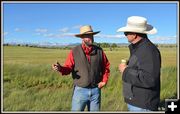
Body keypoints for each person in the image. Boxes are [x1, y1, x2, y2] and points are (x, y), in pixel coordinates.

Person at [52, 25, 110, 111]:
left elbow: (106, 67)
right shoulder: (74, 51)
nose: (90, 37)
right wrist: (60, 68)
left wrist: (104, 81)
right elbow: (68, 68)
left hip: (95, 91)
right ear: (82, 38)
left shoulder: (99, 51)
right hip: (80, 91)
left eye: (91, 35)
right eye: (87, 35)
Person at [117, 16, 161, 111]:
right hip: (137, 102)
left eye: (126, 33)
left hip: (142, 105)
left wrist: (125, 70)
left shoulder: (149, 50)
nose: (125, 35)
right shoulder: (139, 48)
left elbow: (150, 79)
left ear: (134, 34)